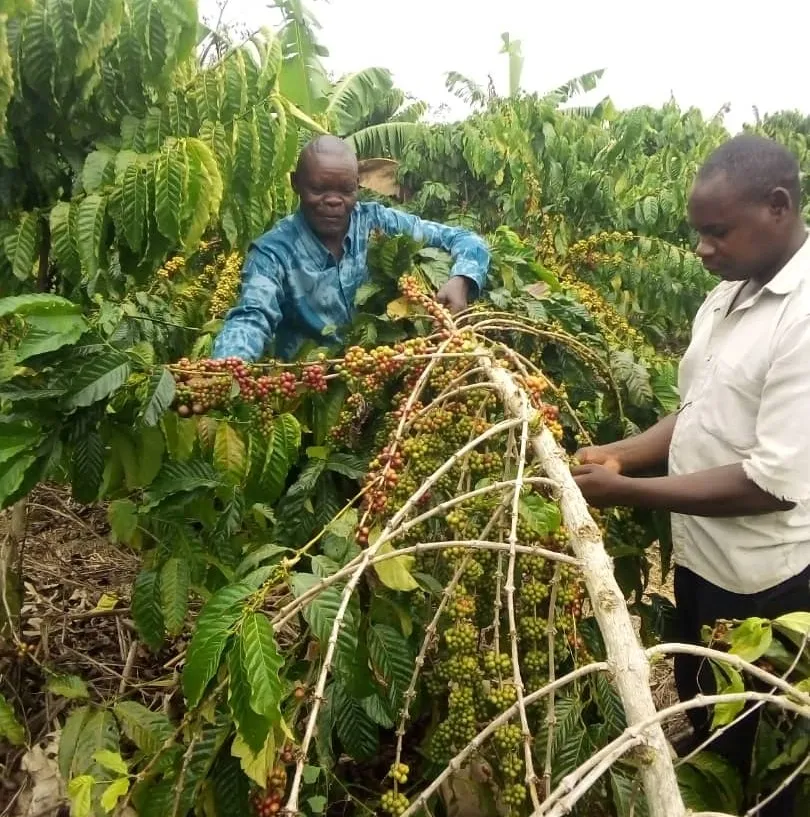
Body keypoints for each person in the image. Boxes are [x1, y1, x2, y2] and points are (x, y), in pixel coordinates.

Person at [573, 134, 810, 814]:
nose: (701, 249)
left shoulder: (803, 315)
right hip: (702, 567)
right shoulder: (728, 293)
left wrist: (625, 492)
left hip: (772, 588)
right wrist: (620, 452)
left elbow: (772, 482)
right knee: (708, 727)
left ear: (777, 207)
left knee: (764, 762)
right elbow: (699, 415)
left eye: (716, 231)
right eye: (696, 233)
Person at [212, 135, 491, 362]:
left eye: (346, 191)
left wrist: (462, 279)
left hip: (384, 376)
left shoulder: (377, 222)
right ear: (296, 184)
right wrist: (225, 369)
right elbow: (252, 315)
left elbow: (465, 239)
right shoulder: (273, 253)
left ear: (357, 186)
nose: (333, 201)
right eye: (319, 190)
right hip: (313, 394)